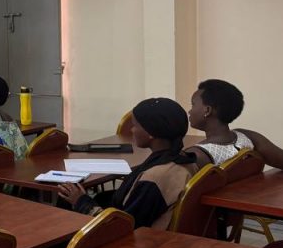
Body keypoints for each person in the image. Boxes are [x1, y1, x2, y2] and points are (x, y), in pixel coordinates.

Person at [57, 98, 195, 230]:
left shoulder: (154, 178)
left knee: (65, 204)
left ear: (151, 133)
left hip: (134, 240)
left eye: (135, 126)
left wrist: (81, 202)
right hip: (149, 232)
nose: (131, 130)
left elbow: (122, 227)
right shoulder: (186, 161)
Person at [183, 79, 283, 169]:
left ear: (207, 110)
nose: (189, 111)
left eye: (193, 104)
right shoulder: (247, 137)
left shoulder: (195, 155)